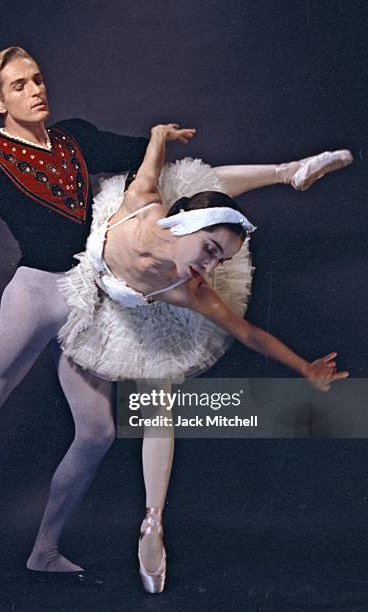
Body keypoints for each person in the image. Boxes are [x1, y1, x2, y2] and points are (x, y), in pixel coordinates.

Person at [0, 47, 352, 589]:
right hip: (40, 293)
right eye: (18, 85)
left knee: (99, 431)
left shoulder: (75, 137)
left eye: (36, 80)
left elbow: (146, 167)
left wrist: (162, 141)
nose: (35, 91)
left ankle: (44, 549)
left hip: (102, 298)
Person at [55, 123, 351, 592]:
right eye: (210, 251)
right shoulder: (141, 203)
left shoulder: (192, 289)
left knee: (160, 405)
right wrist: (158, 134)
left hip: (147, 318)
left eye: (220, 261)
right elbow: (153, 159)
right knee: (196, 186)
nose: (209, 268)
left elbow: (250, 334)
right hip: (99, 303)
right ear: (184, 229)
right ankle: (286, 171)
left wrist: (303, 369)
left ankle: (153, 525)